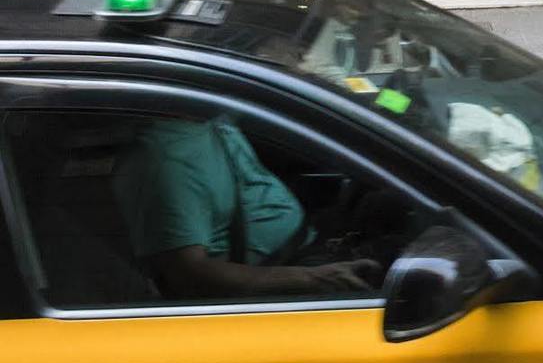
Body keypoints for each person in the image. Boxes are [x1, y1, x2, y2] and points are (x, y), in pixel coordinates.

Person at [114, 114, 378, 301]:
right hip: (277, 281)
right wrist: (313, 278)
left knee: (380, 206)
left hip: (305, 247)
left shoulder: (209, 118)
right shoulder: (165, 163)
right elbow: (189, 275)